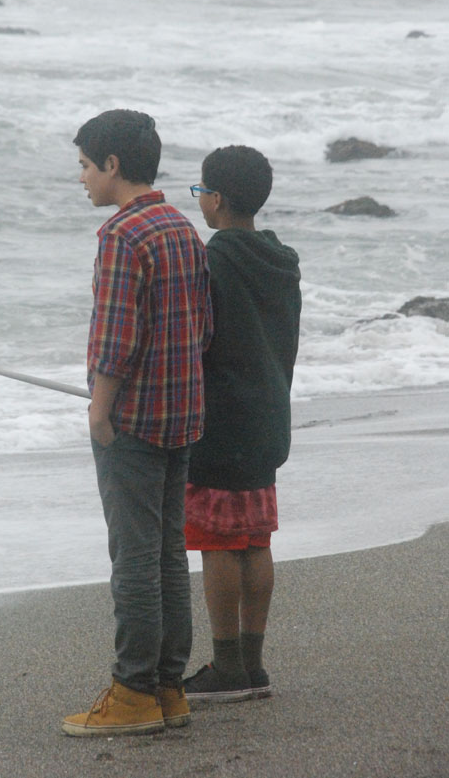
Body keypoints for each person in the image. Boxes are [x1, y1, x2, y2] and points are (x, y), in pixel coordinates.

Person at [62, 109, 213, 737]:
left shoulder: (122, 234)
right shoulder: (180, 226)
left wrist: (99, 409)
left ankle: (132, 692)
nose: (81, 178)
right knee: (168, 556)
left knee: (133, 560)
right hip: (182, 414)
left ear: (113, 164)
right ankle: (168, 687)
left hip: (134, 421)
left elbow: (115, 338)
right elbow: (203, 327)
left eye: (85, 166)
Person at [183, 145, 301, 703]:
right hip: (269, 414)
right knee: (255, 540)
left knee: (218, 544)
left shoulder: (214, 259)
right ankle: (252, 664)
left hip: (222, 420)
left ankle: (227, 665)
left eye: (201, 191)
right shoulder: (281, 260)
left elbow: (198, 339)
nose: (200, 200)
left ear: (217, 199)